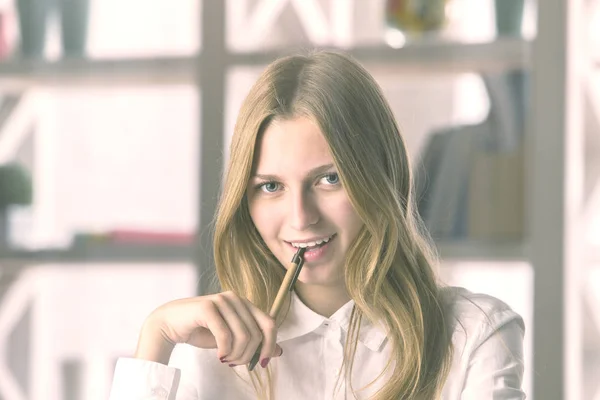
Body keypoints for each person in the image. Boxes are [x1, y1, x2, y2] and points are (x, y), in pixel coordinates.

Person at [108, 51, 525, 400]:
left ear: (380, 177)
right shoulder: (204, 353)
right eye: (271, 186)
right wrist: (155, 337)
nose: (301, 217)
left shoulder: (475, 333)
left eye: (330, 179)